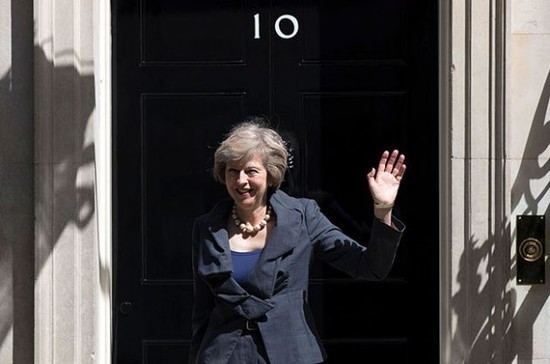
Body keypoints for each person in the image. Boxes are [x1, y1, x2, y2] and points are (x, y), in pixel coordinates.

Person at [189, 118, 406, 364]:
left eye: (251, 171)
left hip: (289, 354)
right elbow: (202, 311)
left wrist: (383, 208)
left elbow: (370, 267)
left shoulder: (304, 217)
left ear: (270, 175)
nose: (241, 181)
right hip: (223, 355)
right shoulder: (207, 227)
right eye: (232, 171)